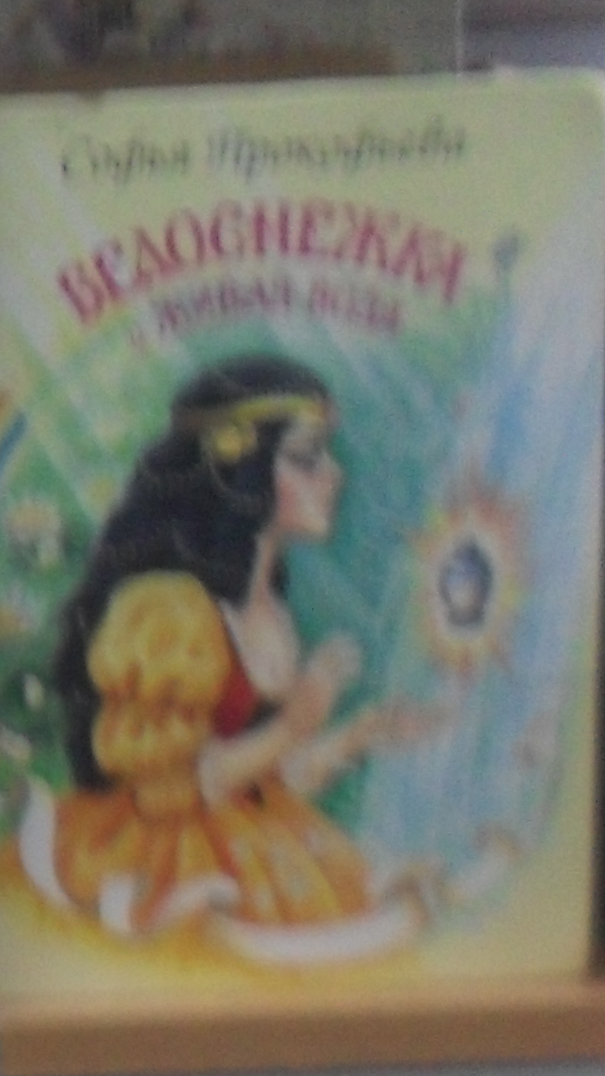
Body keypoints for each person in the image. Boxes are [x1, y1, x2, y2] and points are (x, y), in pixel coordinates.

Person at [28, 353, 435, 956]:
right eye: (307, 458)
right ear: (241, 469)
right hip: (167, 855)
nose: (333, 474)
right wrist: (296, 720)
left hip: (258, 842)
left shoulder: (271, 610)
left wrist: (357, 736)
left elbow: (267, 783)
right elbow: (167, 790)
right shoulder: (173, 613)